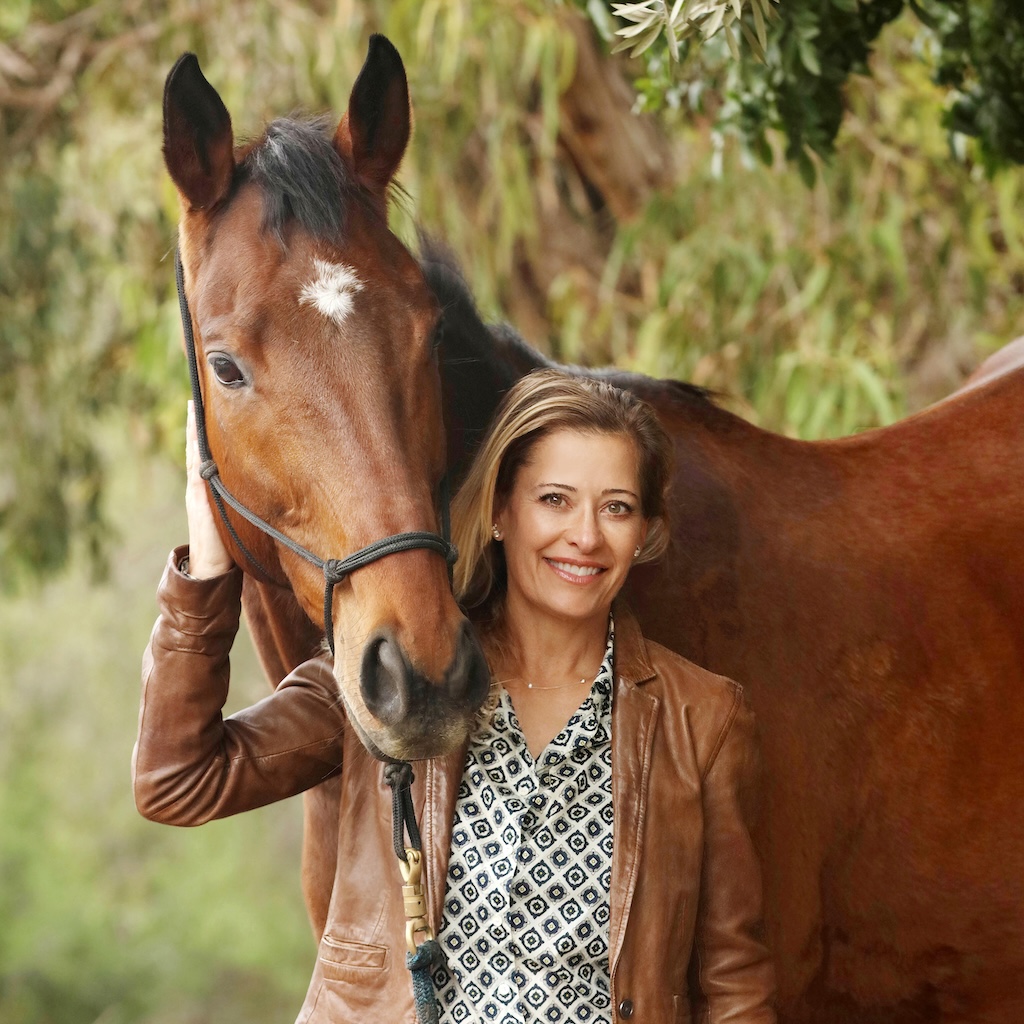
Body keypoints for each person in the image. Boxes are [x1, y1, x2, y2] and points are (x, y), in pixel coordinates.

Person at [133, 369, 776, 1023]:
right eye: (555, 500)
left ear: (643, 531)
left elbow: (733, 981)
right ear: (500, 512)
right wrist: (207, 567)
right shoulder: (398, 682)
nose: (585, 535)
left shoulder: (704, 719)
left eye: (616, 507)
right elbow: (179, 780)